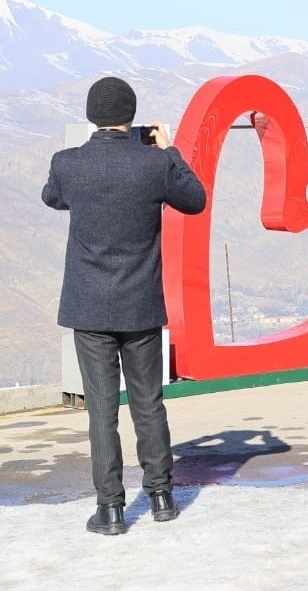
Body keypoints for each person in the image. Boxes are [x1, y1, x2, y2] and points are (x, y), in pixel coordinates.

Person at [41, 76, 207, 535]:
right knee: (148, 403)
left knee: (101, 410)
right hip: (140, 306)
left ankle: (111, 509)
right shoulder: (153, 164)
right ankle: (161, 497)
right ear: (132, 118)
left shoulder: (68, 164)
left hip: (88, 307)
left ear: (91, 115)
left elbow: (52, 197)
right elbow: (195, 200)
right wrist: (167, 150)